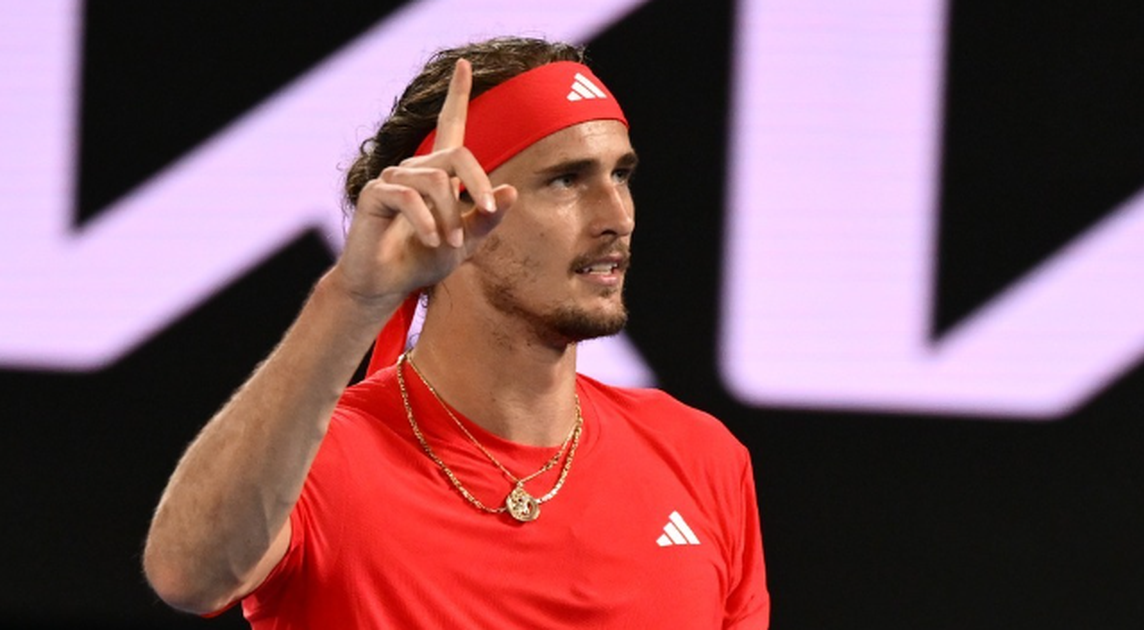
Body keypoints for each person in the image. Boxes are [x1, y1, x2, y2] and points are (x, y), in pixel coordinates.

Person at [143, 36, 769, 628]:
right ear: (455, 206)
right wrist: (354, 299)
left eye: (621, 175)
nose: (618, 216)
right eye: (566, 180)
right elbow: (188, 576)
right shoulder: (316, 460)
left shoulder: (701, 457)